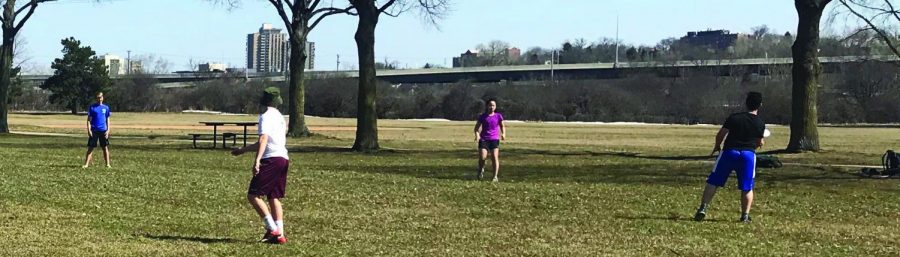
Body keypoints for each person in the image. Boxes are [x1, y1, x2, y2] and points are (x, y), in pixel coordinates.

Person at [694, 92, 765, 223]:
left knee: (713, 181)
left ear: (746, 103)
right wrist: (759, 144)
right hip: (748, 155)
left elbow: (721, 134)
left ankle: (703, 208)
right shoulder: (760, 123)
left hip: (729, 152)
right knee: (747, 186)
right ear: (760, 105)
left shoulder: (734, 118)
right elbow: (759, 142)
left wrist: (717, 146)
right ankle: (745, 215)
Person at [232, 87, 290, 244]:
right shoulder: (280, 118)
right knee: (274, 197)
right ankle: (280, 235)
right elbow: (265, 141)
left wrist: (257, 160)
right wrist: (243, 150)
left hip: (270, 159)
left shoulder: (265, 117)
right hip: (283, 158)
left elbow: (263, 139)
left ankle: (272, 229)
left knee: (253, 195)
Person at [473, 98, 506, 182]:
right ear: (487, 106)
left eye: (493, 105)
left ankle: (495, 176)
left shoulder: (498, 116)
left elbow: (502, 126)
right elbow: (476, 128)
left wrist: (503, 134)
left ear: (495, 107)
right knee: (482, 157)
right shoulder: (483, 116)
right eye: (490, 105)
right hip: (484, 139)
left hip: (494, 139)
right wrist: (477, 135)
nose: (492, 107)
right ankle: (481, 170)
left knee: (494, 157)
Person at [83, 92, 111, 168]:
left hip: (103, 130)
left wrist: (108, 130)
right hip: (94, 130)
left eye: (100, 97)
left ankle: (107, 164)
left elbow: (107, 119)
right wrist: (89, 130)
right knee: (90, 147)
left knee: (105, 147)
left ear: (103, 98)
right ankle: (86, 164)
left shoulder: (106, 108)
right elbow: (89, 119)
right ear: (96, 98)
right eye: (98, 97)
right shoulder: (92, 107)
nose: (99, 99)